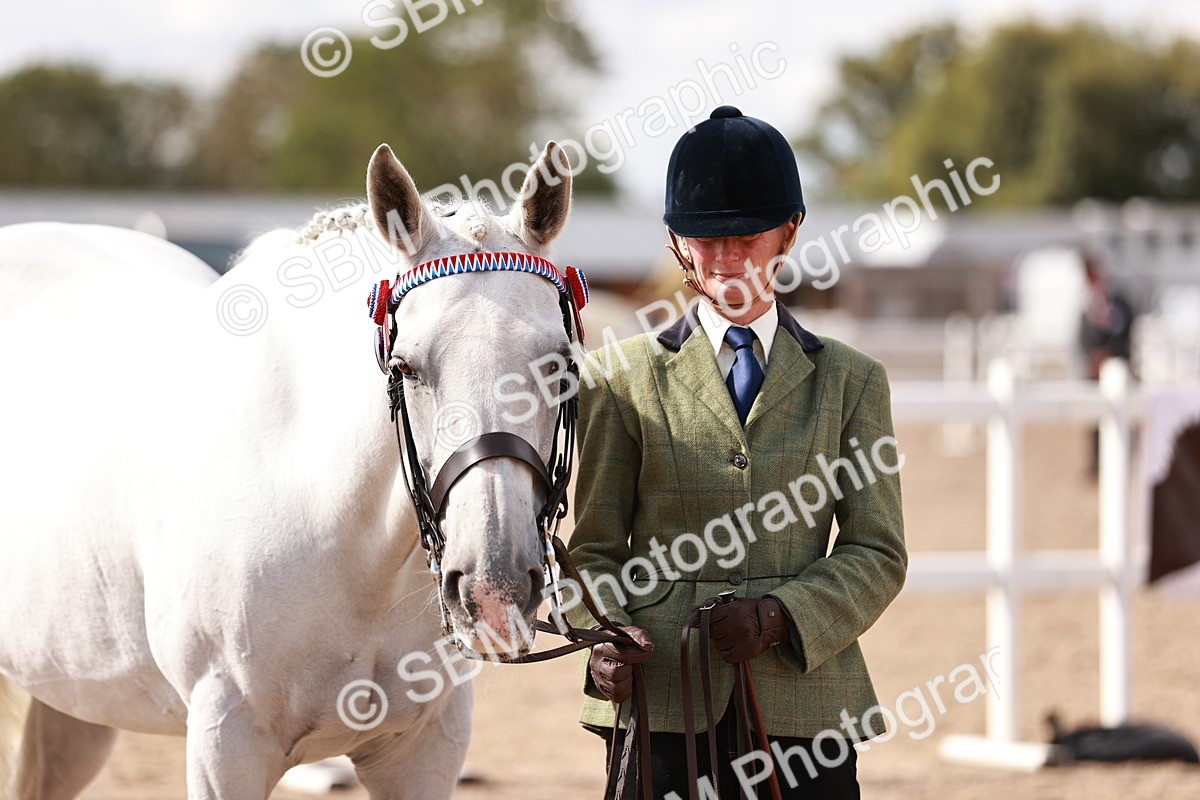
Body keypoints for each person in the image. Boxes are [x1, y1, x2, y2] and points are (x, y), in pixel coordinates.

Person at [566, 106, 907, 799]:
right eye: (704, 239)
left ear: (790, 230)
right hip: (663, 701)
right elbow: (594, 551)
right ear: (675, 243)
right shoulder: (620, 379)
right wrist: (600, 638)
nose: (726, 261)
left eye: (746, 237)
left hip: (804, 704)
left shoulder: (853, 380)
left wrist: (782, 614)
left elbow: (878, 551)